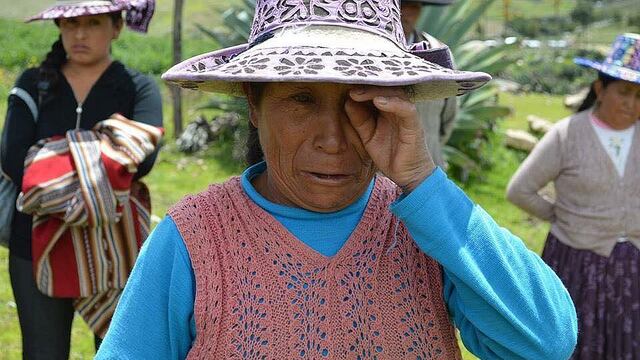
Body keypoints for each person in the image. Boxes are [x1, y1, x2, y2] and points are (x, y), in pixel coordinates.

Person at [97, 0, 577, 359]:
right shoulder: (194, 238)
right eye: (302, 100)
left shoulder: (429, 229)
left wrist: (424, 183)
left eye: (360, 101)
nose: (333, 139)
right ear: (253, 104)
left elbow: (547, 342)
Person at [0, 0, 161, 358]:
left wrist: (49, 160)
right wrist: (106, 150)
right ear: (59, 28)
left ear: (116, 27)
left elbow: (143, 160)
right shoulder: (34, 83)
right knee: (43, 352)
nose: (80, 33)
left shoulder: (138, 87)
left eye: (93, 23)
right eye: (70, 24)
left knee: (118, 350)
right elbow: (14, 160)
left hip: (114, 246)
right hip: (36, 244)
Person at [507, 33, 640, 359]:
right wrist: (561, 215)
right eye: (624, 92)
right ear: (599, 88)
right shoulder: (567, 135)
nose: (631, 103)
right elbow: (519, 190)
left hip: (634, 265)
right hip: (579, 264)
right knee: (580, 344)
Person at [401, 0, 458, 168]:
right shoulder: (363, 54)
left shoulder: (438, 54)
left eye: (411, 5)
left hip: (427, 170)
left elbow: (448, 118)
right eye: (396, 3)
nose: (402, 11)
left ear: (419, 9)